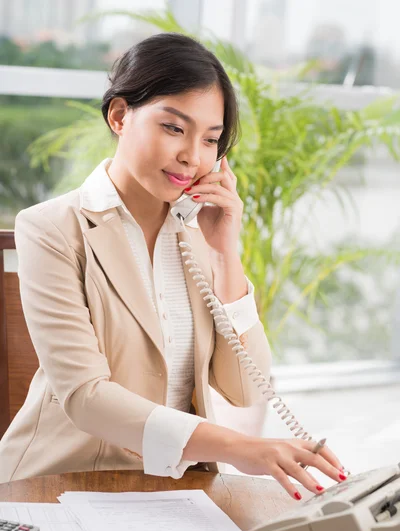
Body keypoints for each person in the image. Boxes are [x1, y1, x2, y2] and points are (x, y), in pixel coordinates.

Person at [0, 33, 345, 499]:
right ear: (120, 116)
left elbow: (244, 389)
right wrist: (240, 447)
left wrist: (225, 250)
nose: (192, 156)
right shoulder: (51, 228)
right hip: (59, 486)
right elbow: (85, 396)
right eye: (174, 128)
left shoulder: (197, 238)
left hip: (176, 495)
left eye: (210, 140)